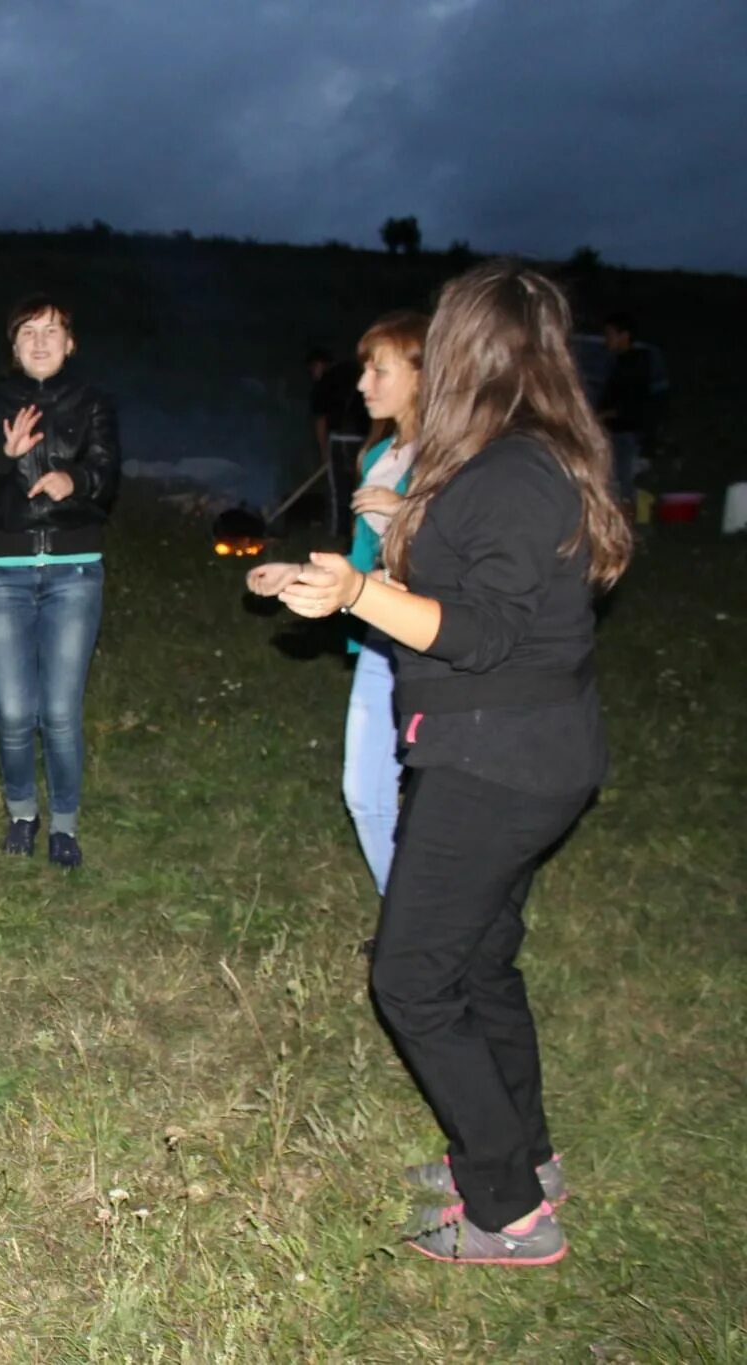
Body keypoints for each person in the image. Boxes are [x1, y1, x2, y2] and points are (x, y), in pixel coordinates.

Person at [268, 260, 632, 1266]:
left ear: (476, 347)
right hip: (514, 749)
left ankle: (508, 1213)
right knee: (476, 963)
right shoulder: (520, 457)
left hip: (496, 758)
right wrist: (347, 585)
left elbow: (474, 633)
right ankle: (520, 1156)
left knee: (413, 978)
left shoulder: (514, 470)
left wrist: (354, 596)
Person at [251, 312, 428, 895]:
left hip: (438, 650)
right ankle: (402, 915)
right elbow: (364, 565)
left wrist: (406, 513)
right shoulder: (378, 458)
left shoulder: (454, 461)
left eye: (380, 370)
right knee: (363, 789)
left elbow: (471, 559)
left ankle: (432, 924)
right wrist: (300, 571)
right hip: (382, 641)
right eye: (364, 369)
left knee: (442, 800)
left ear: (425, 374)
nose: (362, 384)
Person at [0, 295, 119, 868]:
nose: (40, 341)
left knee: (61, 712)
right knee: (14, 712)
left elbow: (107, 471)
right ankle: (23, 813)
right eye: (28, 332)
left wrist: (76, 480)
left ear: (70, 344)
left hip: (74, 570)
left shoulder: (92, 401)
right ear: (13, 345)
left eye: (52, 331)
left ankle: (64, 826)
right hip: (2, 573)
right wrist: (4, 456)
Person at [309, 346, 372, 538]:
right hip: (364, 440)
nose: (313, 374)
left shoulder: (325, 382)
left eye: (312, 369)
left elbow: (321, 420)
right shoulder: (358, 375)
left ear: (320, 364)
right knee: (363, 487)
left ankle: (338, 534)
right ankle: (362, 533)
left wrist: (324, 451)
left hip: (340, 440)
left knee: (339, 492)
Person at [598, 313, 652, 504]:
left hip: (624, 433)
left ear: (624, 335)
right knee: (614, 483)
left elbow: (629, 404)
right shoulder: (619, 362)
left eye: (610, 334)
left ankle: (627, 527)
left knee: (622, 485)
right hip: (615, 431)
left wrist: (599, 416)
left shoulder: (634, 365)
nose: (607, 339)